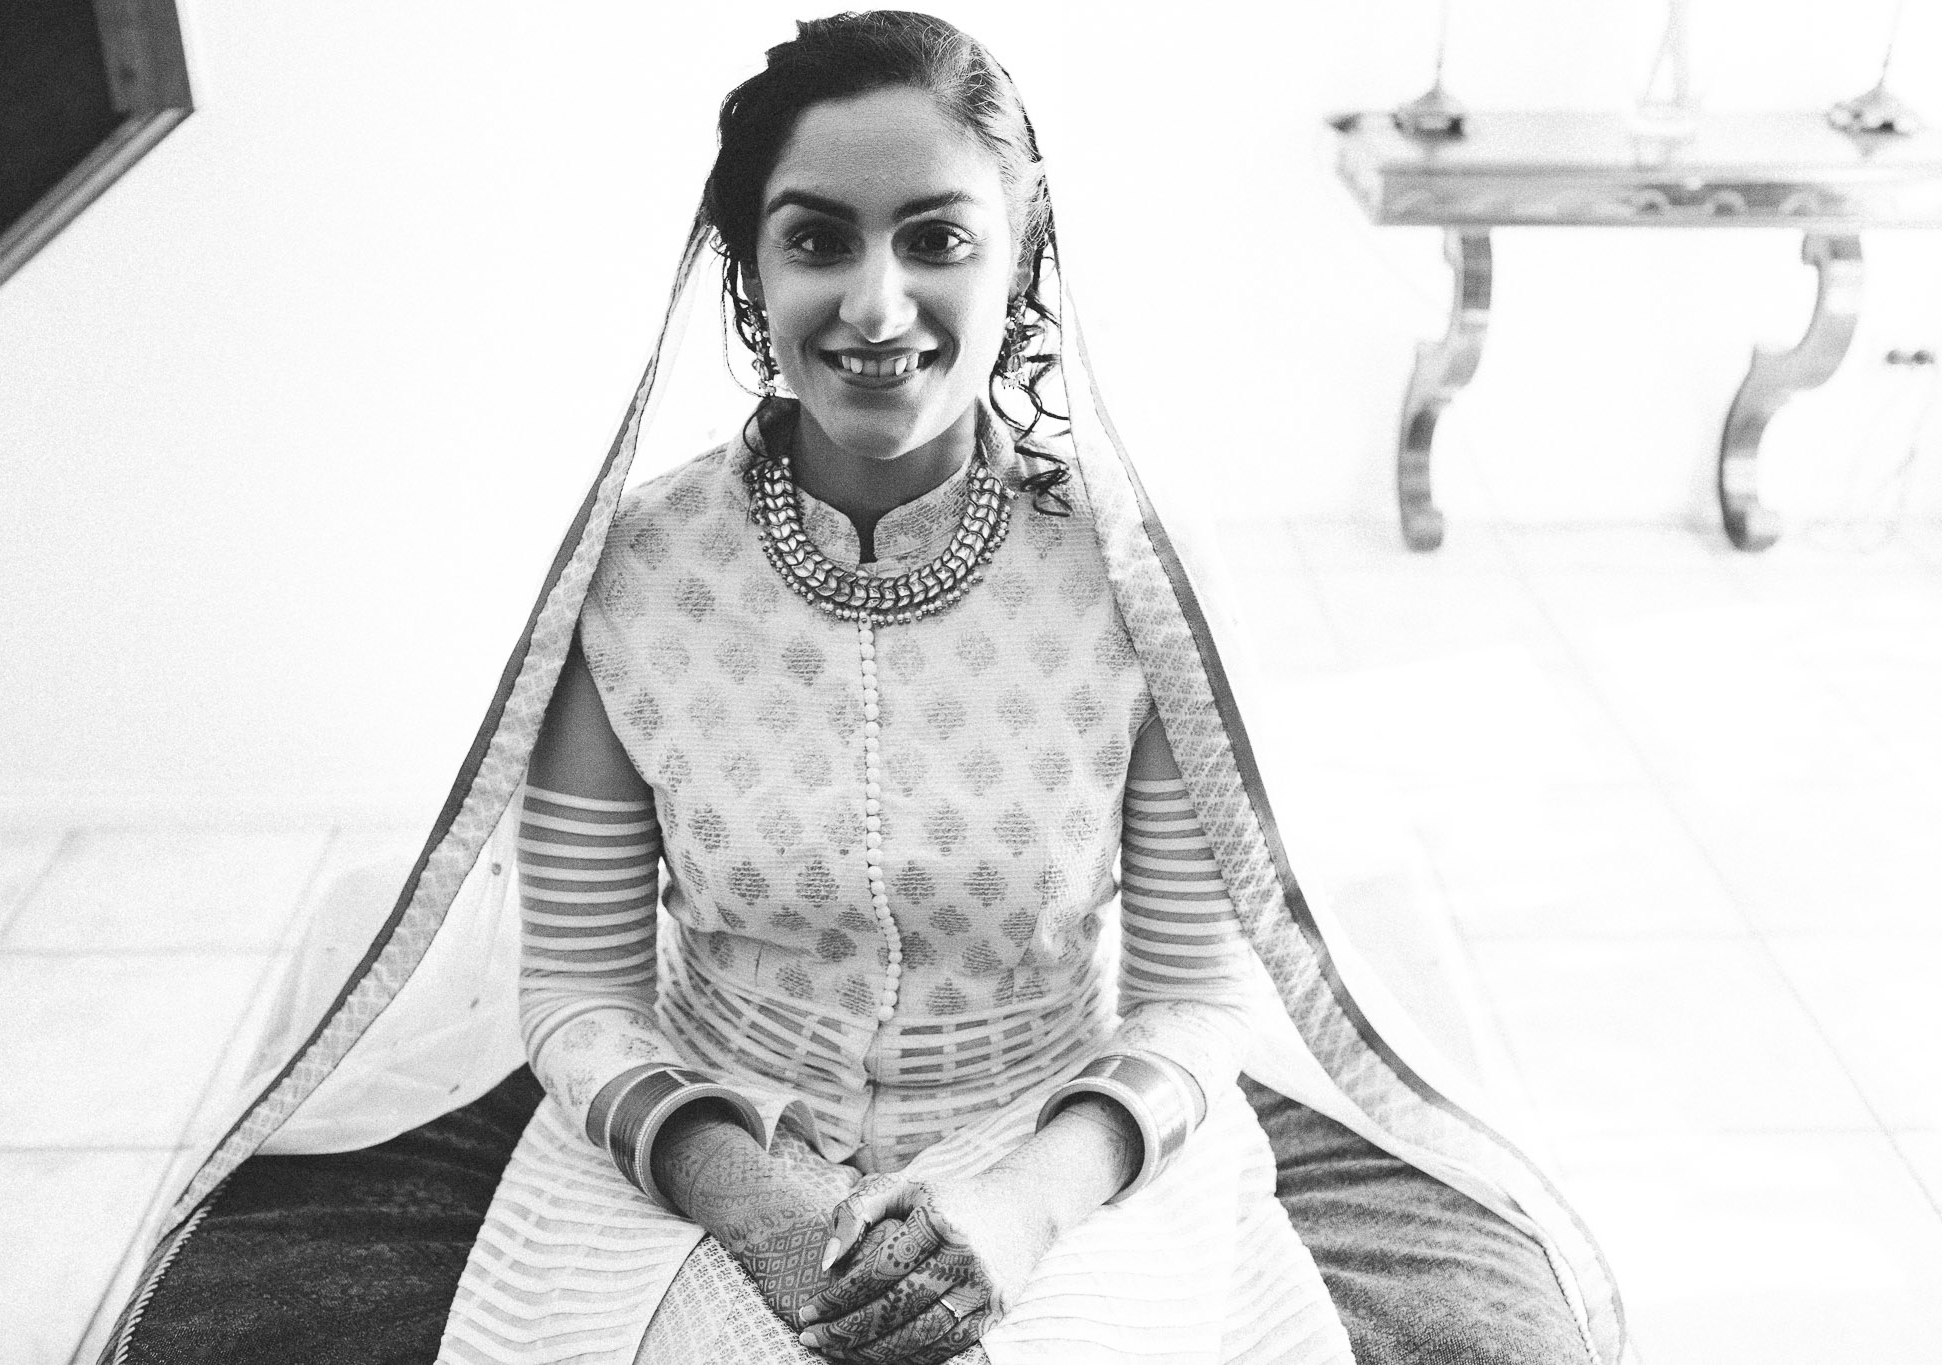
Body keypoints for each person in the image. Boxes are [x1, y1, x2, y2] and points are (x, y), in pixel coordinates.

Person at [107, 13, 1623, 1365]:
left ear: (1020, 255)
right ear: (751, 272)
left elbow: (1190, 999)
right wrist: (753, 1202)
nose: (876, 303)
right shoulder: (635, 575)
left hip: (1061, 1148)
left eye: (938, 238)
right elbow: (575, 991)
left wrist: (1024, 1209)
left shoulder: (1132, 577)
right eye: (819, 238)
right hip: (699, 1147)